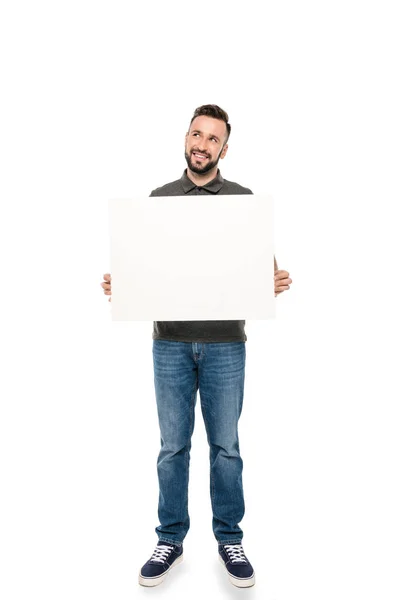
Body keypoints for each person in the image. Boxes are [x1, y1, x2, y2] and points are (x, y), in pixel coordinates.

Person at [101, 104, 292, 588]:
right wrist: (121, 284)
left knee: (226, 447)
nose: (201, 144)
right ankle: (170, 537)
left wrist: (272, 280)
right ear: (186, 138)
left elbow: (260, 272)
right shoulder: (158, 199)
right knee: (172, 447)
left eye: (212, 139)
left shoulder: (242, 200)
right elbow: (143, 271)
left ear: (224, 149)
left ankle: (229, 537)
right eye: (196, 134)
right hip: (170, 344)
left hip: (226, 344)